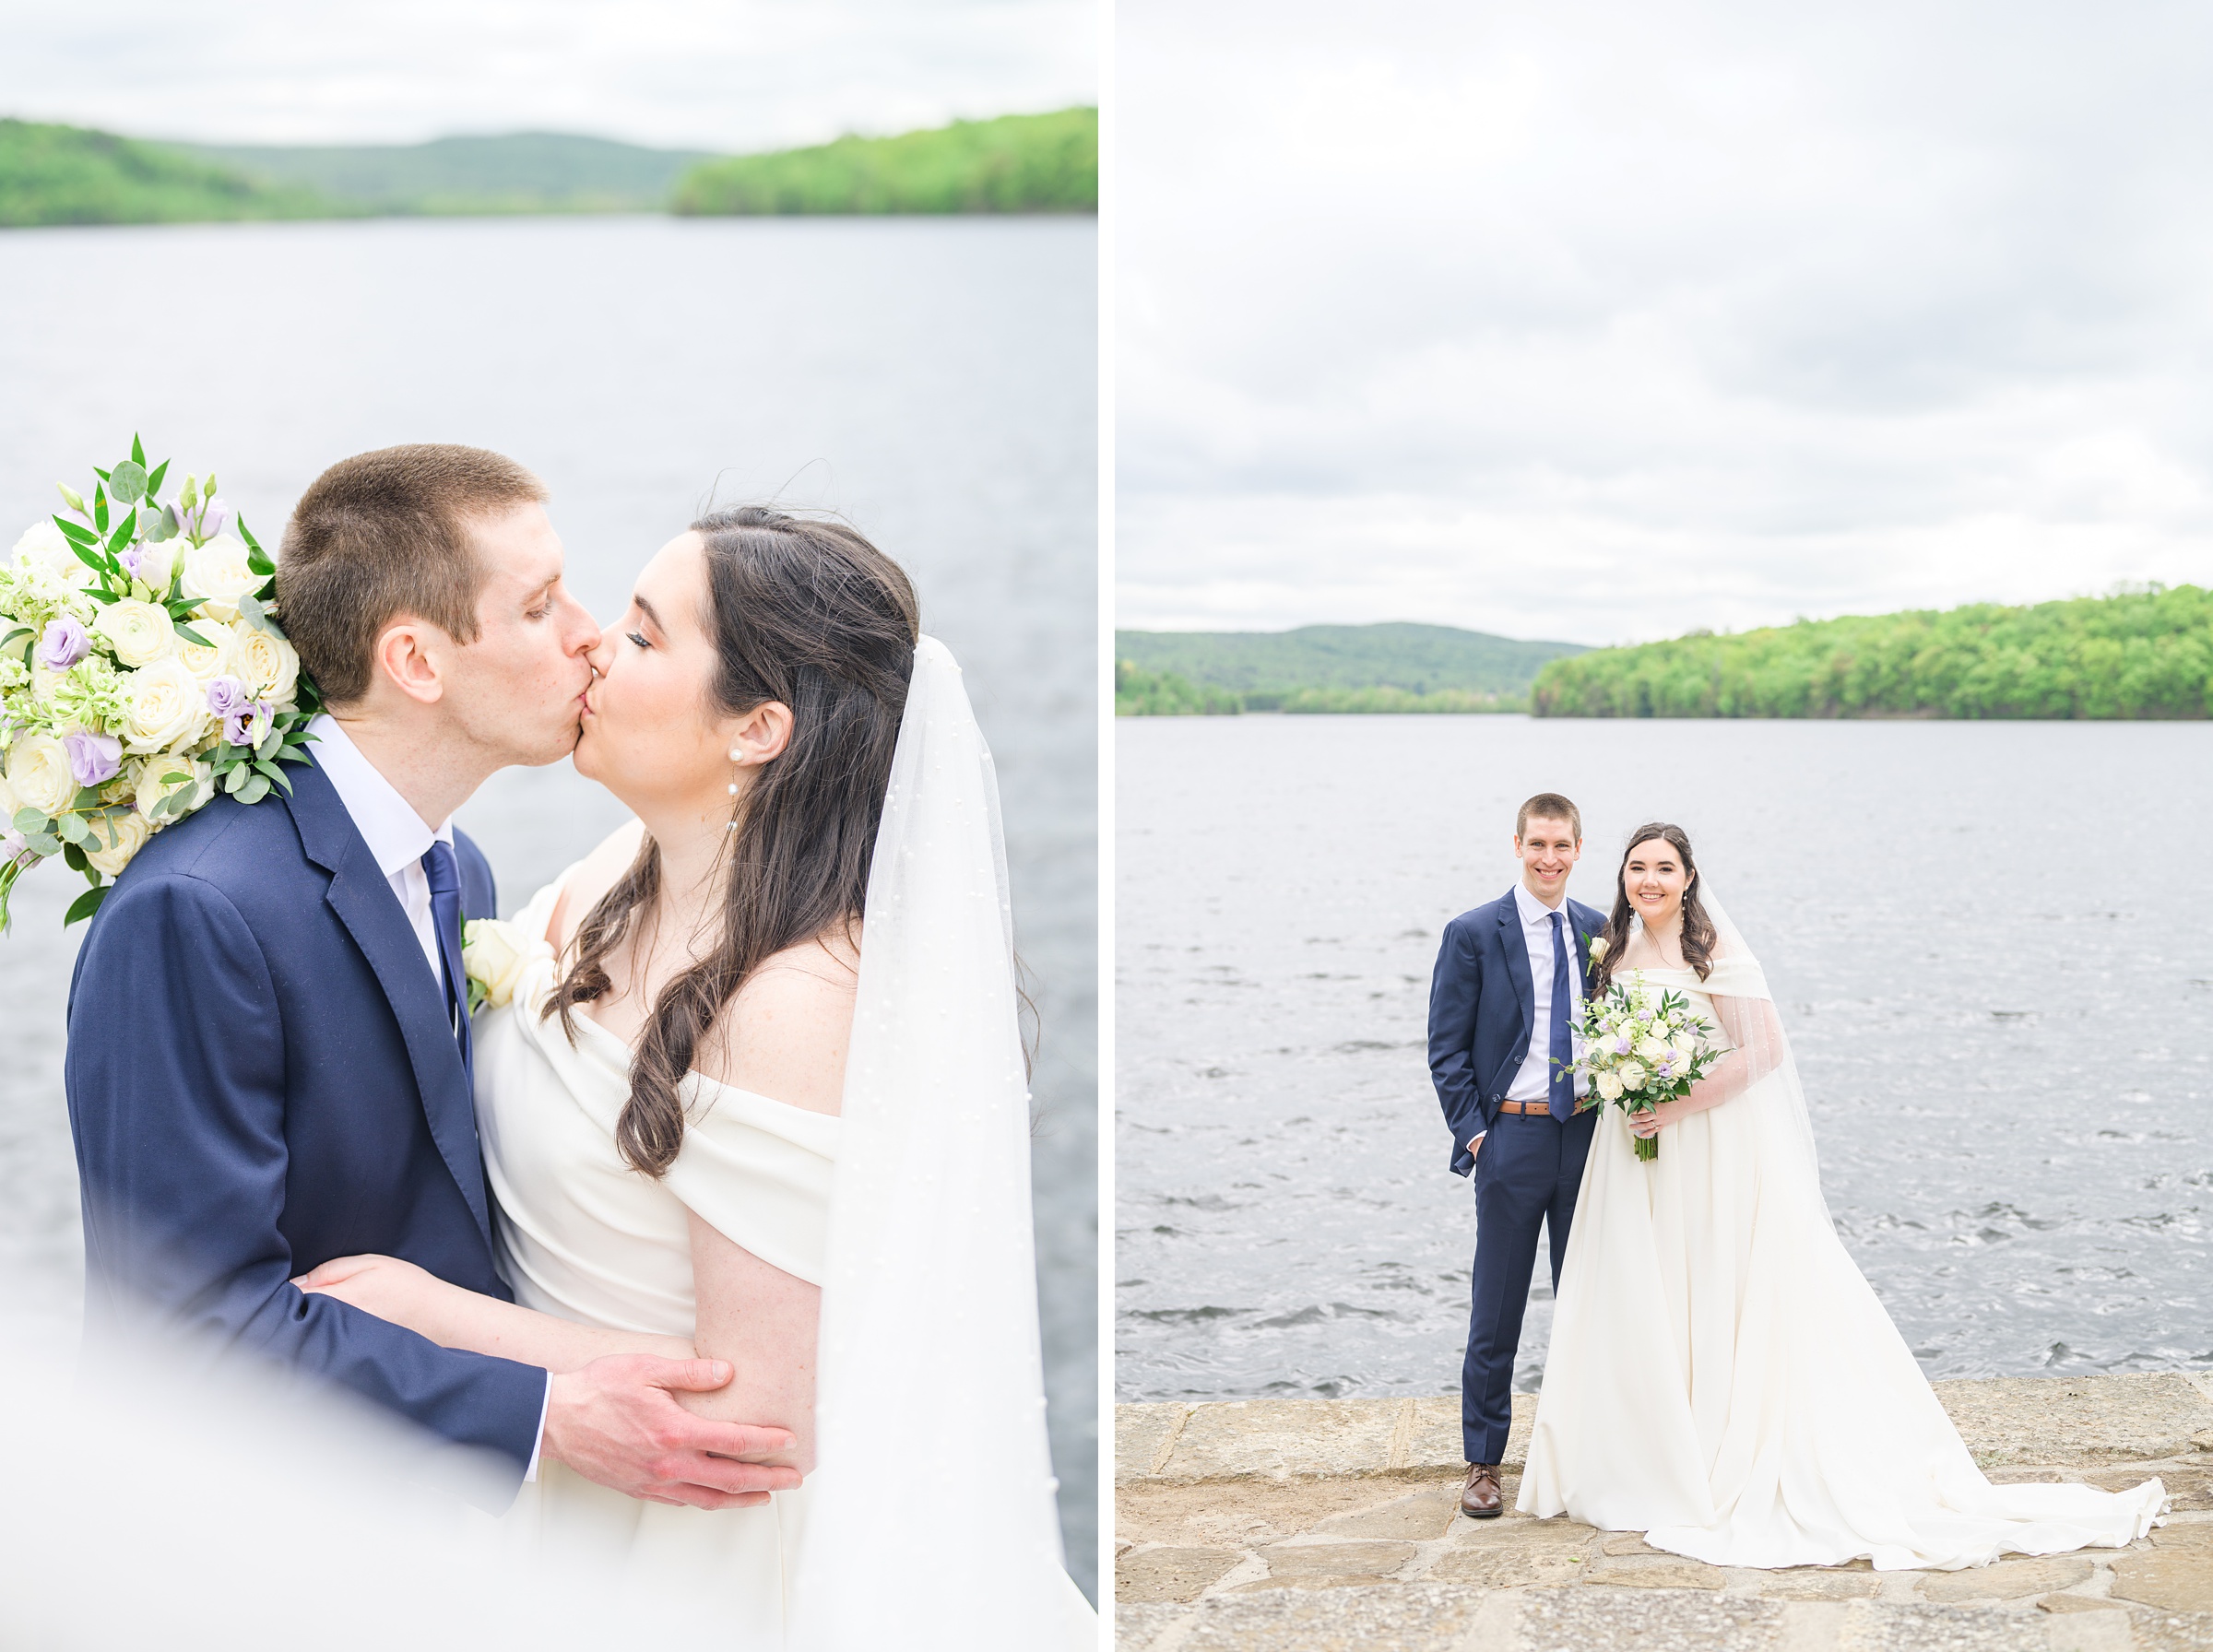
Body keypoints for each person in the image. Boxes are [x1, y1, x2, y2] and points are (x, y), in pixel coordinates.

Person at [291, 502, 1095, 1645]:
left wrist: (436, 1319)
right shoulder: (613, 871)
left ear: (757, 727)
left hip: (696, 1563)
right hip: (550, 1493)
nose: (589, 646)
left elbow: (764, 1411)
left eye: (643, 635)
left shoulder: (791, 1000)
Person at [66, 446, 795, 1512]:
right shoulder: (199, 910)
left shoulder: (457, 866)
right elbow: (185, 1331)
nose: (589, 633)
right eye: (541, 606)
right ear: (415, 660)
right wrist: (541, 1409)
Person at [1517, 822, 2165, 1568]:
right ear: (1623, 877)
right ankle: (1652, 1453)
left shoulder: (1714, 950)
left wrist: (1676, 1100)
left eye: (1665, 868)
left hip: (1705, 1144)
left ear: (1690, 877)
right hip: (1634, 1152)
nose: (1650, 881)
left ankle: (1720, 1449)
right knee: (1646, 1290)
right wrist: (1625, 1078)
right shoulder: (1615, 950)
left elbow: (1762, 1050)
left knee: (1716, 1286)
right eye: (1638, 868)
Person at [1425, 792, 1609, 1519]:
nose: (1549, 859)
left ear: (1578, 849)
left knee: (1589, 1302)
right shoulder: (1474, 932)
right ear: (1518, 845)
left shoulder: (1601, 931)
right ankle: (1484, 1464)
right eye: (1538, 845)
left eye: (1561, 847)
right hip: (1513, 1138)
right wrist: (1477, 1135)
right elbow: (1446, 1048)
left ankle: (1585, 1455)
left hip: (1588, 1137)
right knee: (1496, 1307)